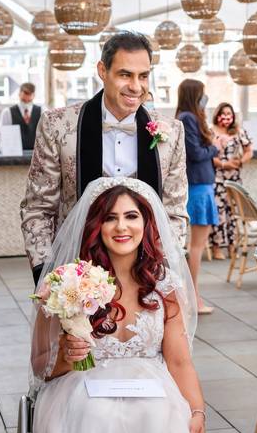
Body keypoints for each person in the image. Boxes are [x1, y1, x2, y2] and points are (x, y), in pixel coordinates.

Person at [30, 177, 216, 433]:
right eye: (110, 218)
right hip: (81, 387)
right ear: (96, 225)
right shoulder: (65, 283)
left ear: (146, 223)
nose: (121, 227)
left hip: (151, 385)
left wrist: (197, 411)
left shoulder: (164, 285)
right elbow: (39, 365)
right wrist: (68, 355)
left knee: (160, 422)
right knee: (98, 420)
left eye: (131, 216)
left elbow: (179, 362)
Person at [21, 31, 188, 285]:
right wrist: (46, 271)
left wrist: (162, 271)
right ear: (102, 70)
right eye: (125, 74)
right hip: (76, 274)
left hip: (146, 275)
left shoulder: (172, 132)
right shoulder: (57, 125)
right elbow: (38, 207)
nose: (136, 86)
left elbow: (174, 212)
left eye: (143, 76)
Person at [176, 80, 220, 314]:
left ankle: (192, 296)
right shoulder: (188, 118)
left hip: (201, 185)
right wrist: (215, 147)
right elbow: (196, 153)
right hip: (199, 186)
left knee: (196, 245)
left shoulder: (186, 117)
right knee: (196, 247)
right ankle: (194, 298)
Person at [209, 102, 253, 261]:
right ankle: (216, 247)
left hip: (234, 178)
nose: (227, 116)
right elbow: (207, 154)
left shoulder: (239, 131)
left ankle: (233, 245)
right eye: (223, 113)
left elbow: (249, 150)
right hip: (217, 177)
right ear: (217, 114)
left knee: (233, 212)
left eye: (229, 113)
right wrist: (222, 164)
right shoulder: (210, 131)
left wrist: (240, 161)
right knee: (218, 212)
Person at [0, 82, 41, 150]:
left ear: (34, 96)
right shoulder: (8, 112)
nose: (26, 103)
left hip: (36, 155)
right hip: (15, 155)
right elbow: (0, 135)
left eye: (29, 101)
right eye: (23, 100)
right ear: (19, 94)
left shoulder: (42, 112)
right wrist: (4, 149)